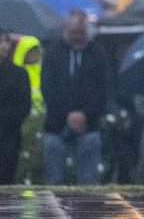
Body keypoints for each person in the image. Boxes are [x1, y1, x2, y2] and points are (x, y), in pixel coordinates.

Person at [42, 9, 109, 184]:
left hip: (89, 126)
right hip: (56, 126)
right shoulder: (53, 52)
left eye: (81, 33)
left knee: (88, 182)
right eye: (74, 33)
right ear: (66, 30)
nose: (78, 37)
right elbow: (48, 88)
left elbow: (103, 90)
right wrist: (67, 115)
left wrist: (85, 114)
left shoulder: (97, 54)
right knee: (53, 181)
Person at [0, 26, 31, 184]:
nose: (4, 45)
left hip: (9, 136)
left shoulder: (18, 74)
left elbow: (23, 105)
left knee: (5, 180)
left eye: (6, 41)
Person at [11, 35, 45, 184]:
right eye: (30, 51)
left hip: (41, 121)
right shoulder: (15, 74)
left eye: (36, 51)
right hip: (22, 122)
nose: (34, 55)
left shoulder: (44, 71)